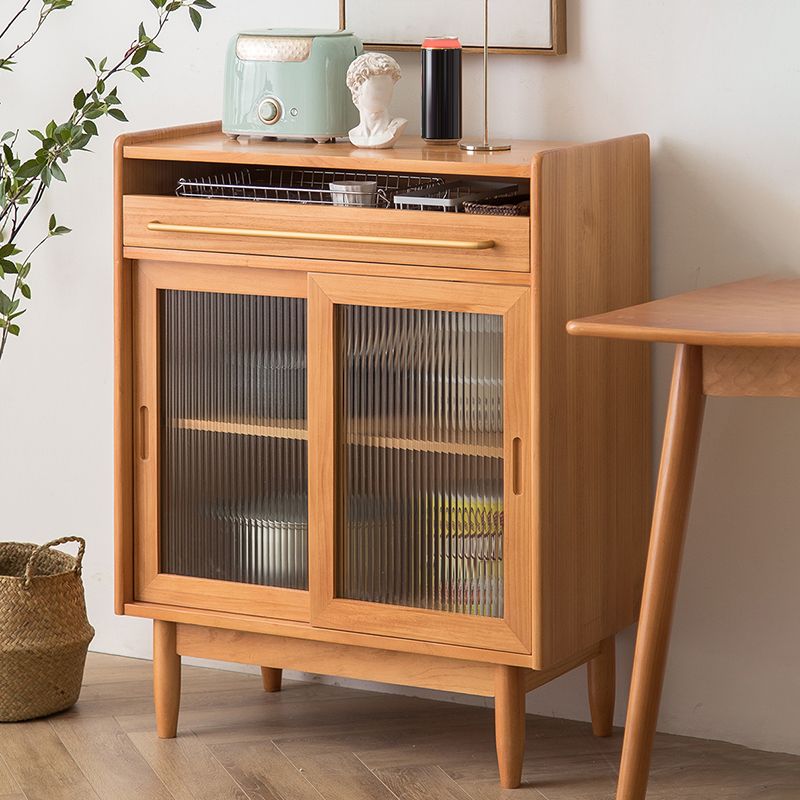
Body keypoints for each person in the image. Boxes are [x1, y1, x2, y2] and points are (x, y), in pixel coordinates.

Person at [346, 52, 408, 149]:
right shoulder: (355, 134)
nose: (384, 94)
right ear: (356, 88)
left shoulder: (397, 126)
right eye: (378, 88)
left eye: (388, 88)